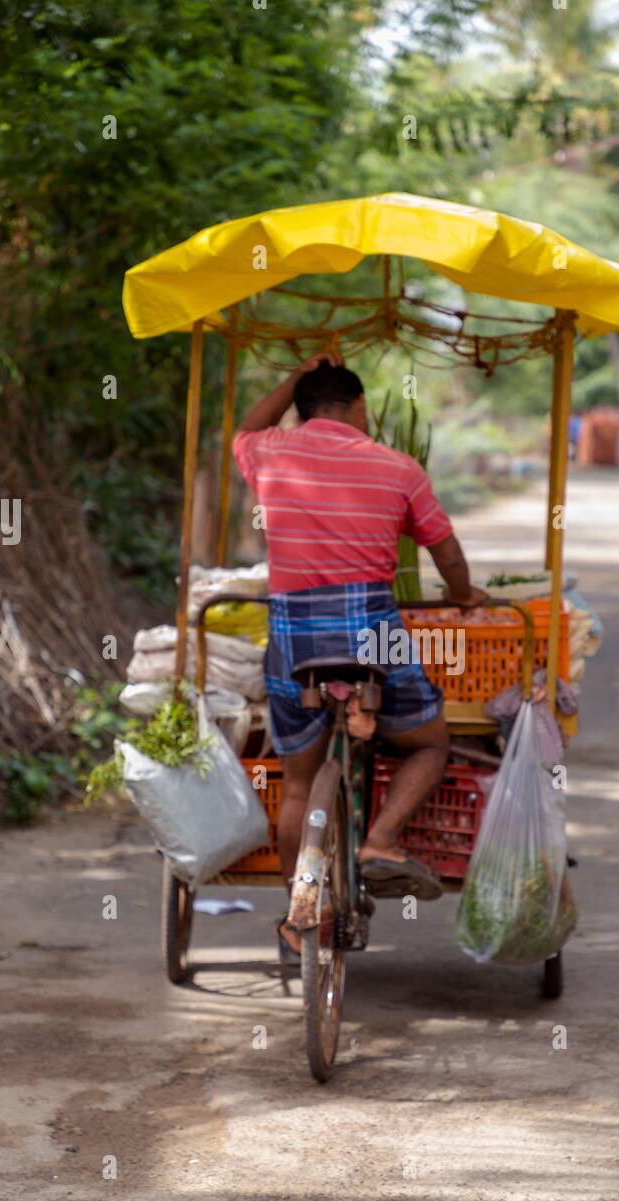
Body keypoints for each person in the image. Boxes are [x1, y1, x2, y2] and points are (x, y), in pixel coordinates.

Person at [233, 352, 487, 955]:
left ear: (302, 405)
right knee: (429, 743)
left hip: (295, 637)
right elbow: (447, 556)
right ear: (355, 406)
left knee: (297, 787)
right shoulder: (397, 467)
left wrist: (294, 379)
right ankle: (380, 839)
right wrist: (462, 594)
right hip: (372, 632)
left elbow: (244, 425)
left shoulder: (268, 453)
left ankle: (299, 912)